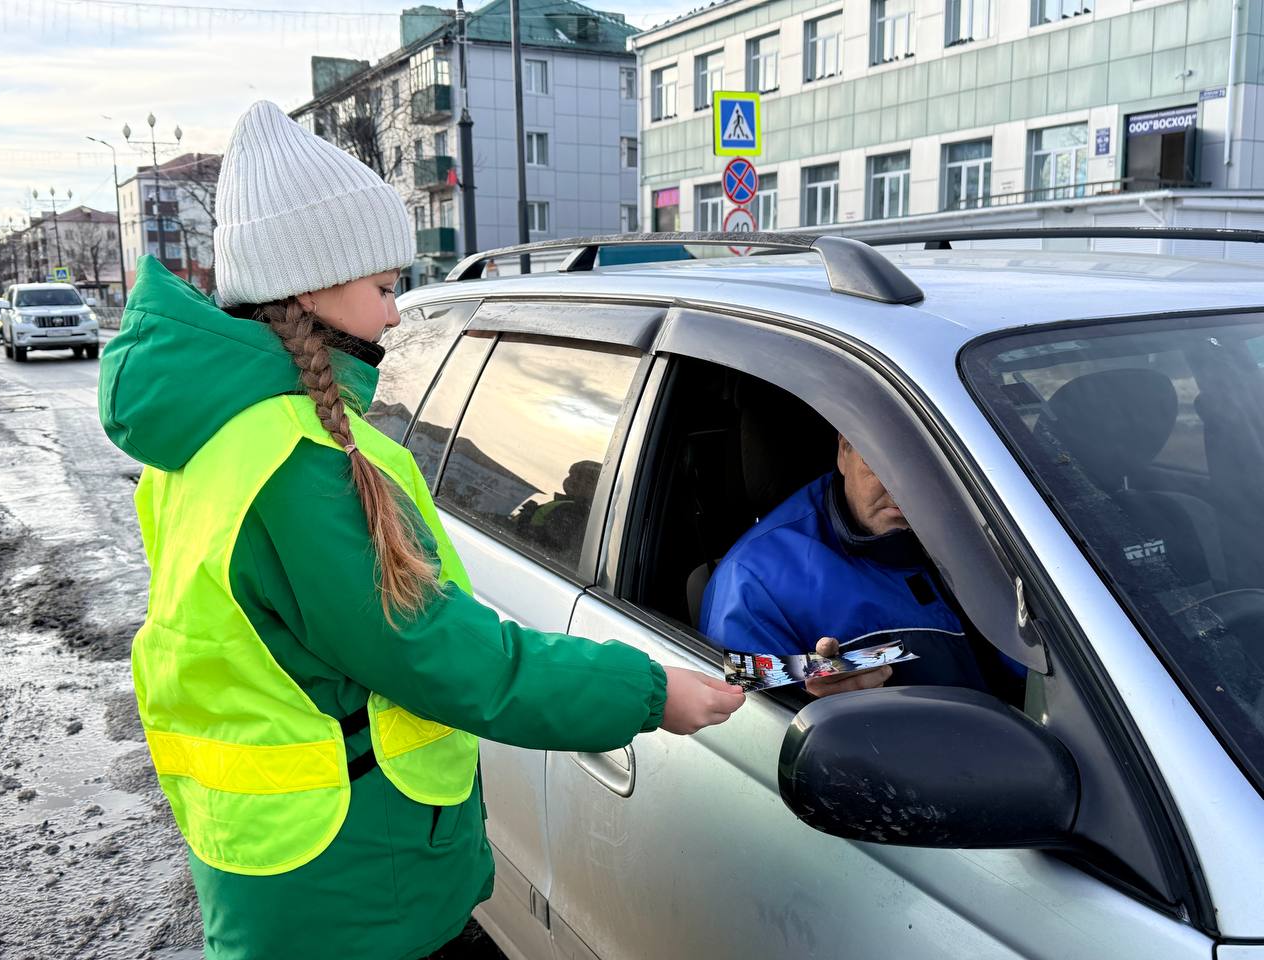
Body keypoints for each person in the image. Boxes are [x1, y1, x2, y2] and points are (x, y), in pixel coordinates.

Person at [98, 101, 744, 960]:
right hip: (348, 884)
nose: (398, 313)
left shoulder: (220, 433)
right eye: (382, 287)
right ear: (310, 286)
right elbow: (436, 651)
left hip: (296, 859)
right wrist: (647, 692)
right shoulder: (298, 462)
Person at [700, 432, 991, 698]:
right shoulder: (752, 580)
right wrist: (814, 700)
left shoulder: (994, 521)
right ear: (844, 450)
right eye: (881, 461)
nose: (902, 488)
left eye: (928, 465)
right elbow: (743, 715)